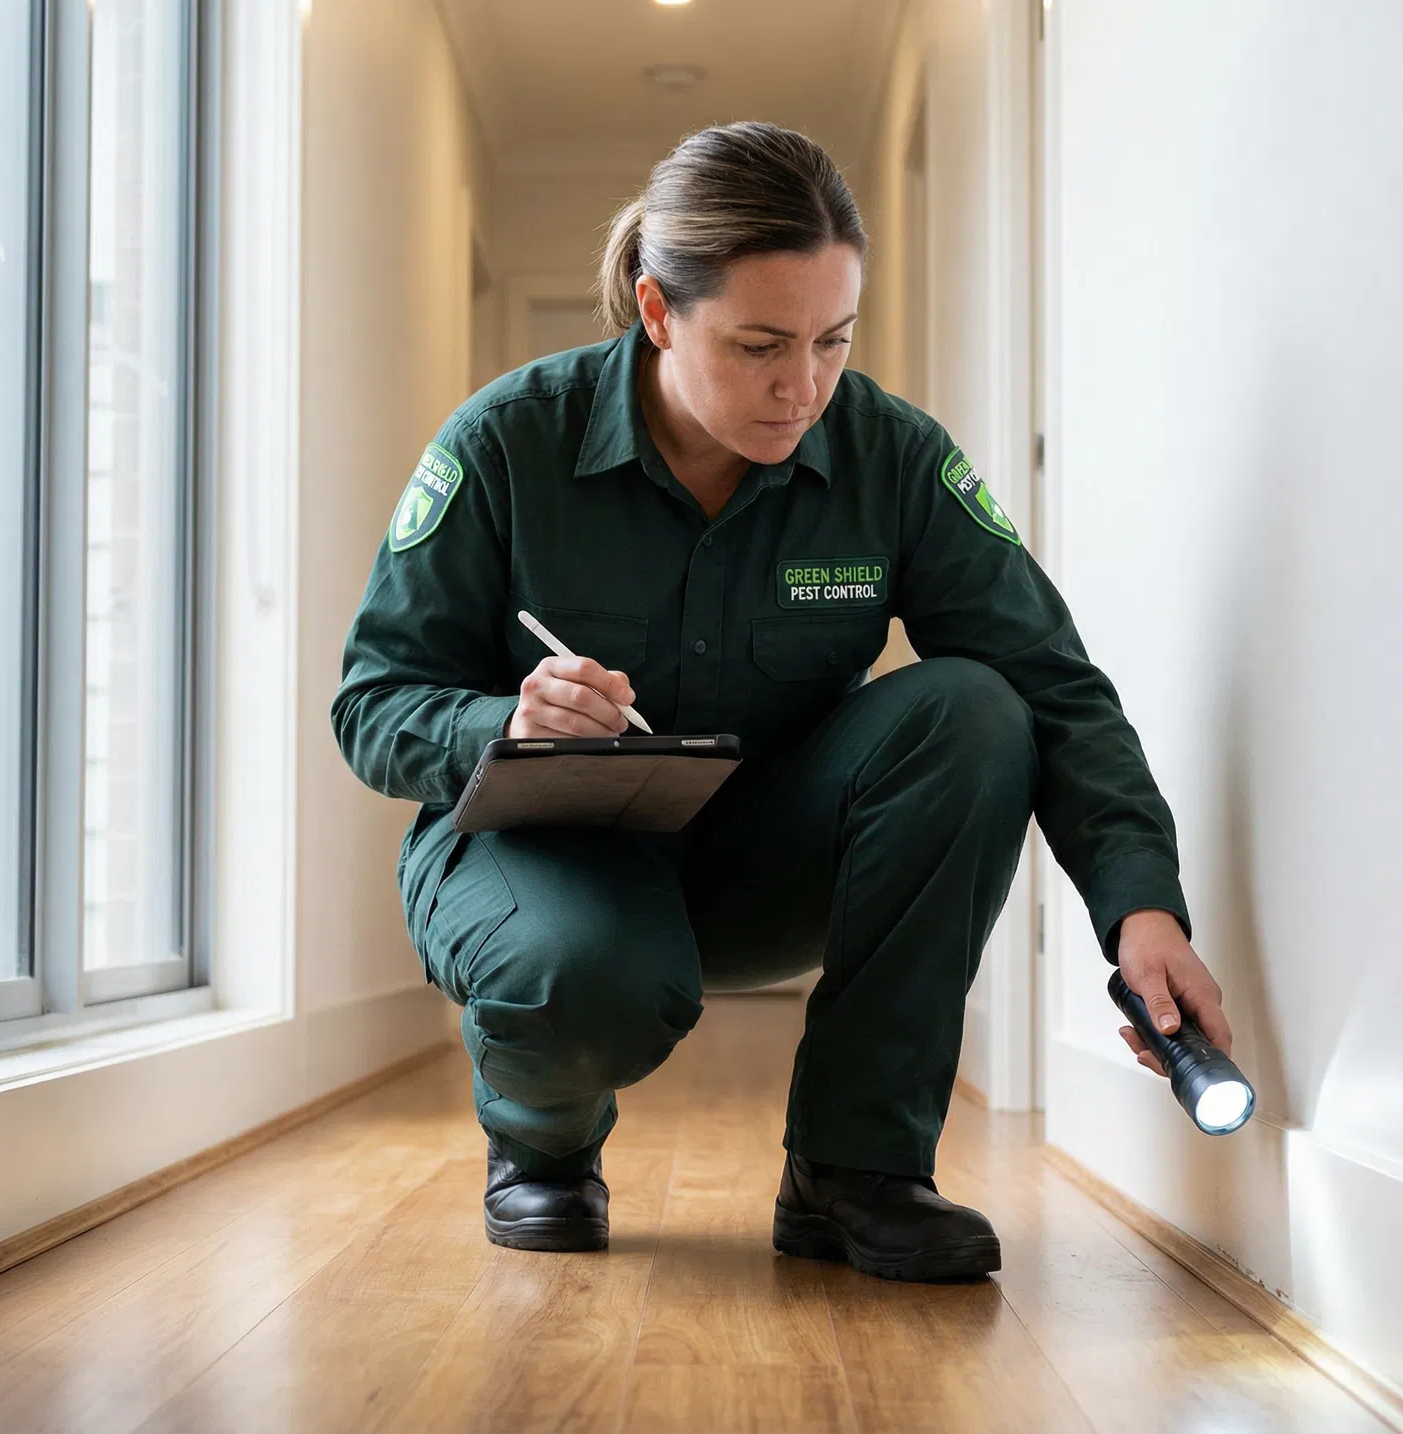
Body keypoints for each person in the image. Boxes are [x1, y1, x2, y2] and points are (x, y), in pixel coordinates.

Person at [332, 121, 1232, 1282]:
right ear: (657, 313)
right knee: (578, 977)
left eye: (832, 342)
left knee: (976, 706)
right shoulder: (507, 445)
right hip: (539, 858)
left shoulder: (893, 462)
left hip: (761, 860)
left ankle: (857, 1173)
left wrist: (1141, 908)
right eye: (759, 345)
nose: (802, 386)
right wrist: (502, 721)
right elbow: (372, 704)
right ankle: (542, 1148)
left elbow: (1054, 683)